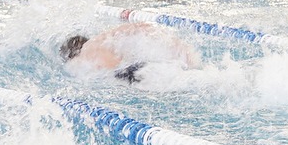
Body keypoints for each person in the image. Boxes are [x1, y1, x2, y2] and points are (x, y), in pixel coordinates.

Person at [57, 22, 199, 84]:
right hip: (131, 70)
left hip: (124, 74)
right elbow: (140, 26)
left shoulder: (85, 53)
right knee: (188, 77)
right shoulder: (102, 40)